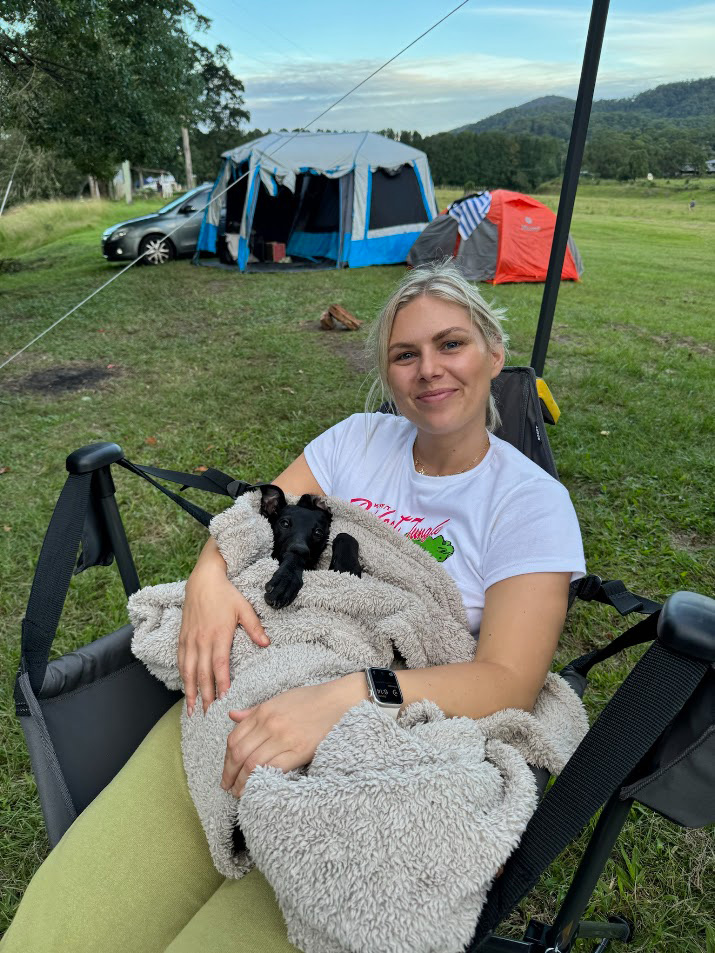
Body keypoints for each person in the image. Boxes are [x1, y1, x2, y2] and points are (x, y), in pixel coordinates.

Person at [2, 261, 585, 952]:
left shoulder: (528, 503)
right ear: (387, 371)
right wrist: (211, 577)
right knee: (55, 933)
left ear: (493, 352)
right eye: (405, 353)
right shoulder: (356, 441)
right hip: (241, 691)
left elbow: (507, 679)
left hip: (374, 735)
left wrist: (350, 695)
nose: (428, 368)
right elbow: (252, 517)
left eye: (450, 343)